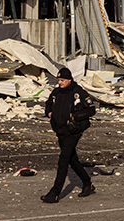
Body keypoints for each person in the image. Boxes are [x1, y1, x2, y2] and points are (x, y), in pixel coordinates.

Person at [41, 67, 95, 203]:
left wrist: (75, 117)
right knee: (72, 159)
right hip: (60, 130)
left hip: (73, 131)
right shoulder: (56, 92)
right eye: (59, 80)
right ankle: (87, 183)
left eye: (62, 80)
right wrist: (49, 113)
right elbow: (48, 104)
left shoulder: (78, 92)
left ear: (69, 80)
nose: (60, 82)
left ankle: (54, 193)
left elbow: (91, 110)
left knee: (63, 160)